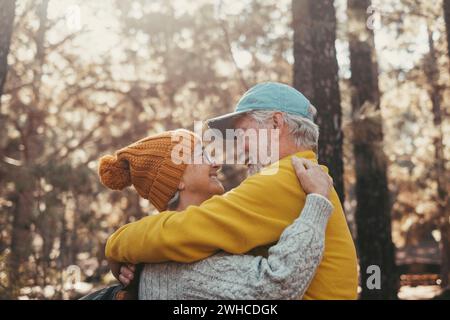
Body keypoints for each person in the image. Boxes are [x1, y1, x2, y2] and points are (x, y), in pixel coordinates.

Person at [106, 82, 358, 299]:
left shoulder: (285, 179)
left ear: (275, 123)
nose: (238, 150)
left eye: (241, 134)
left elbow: (188, 231)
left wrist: (115, 245)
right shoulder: (303, 175)